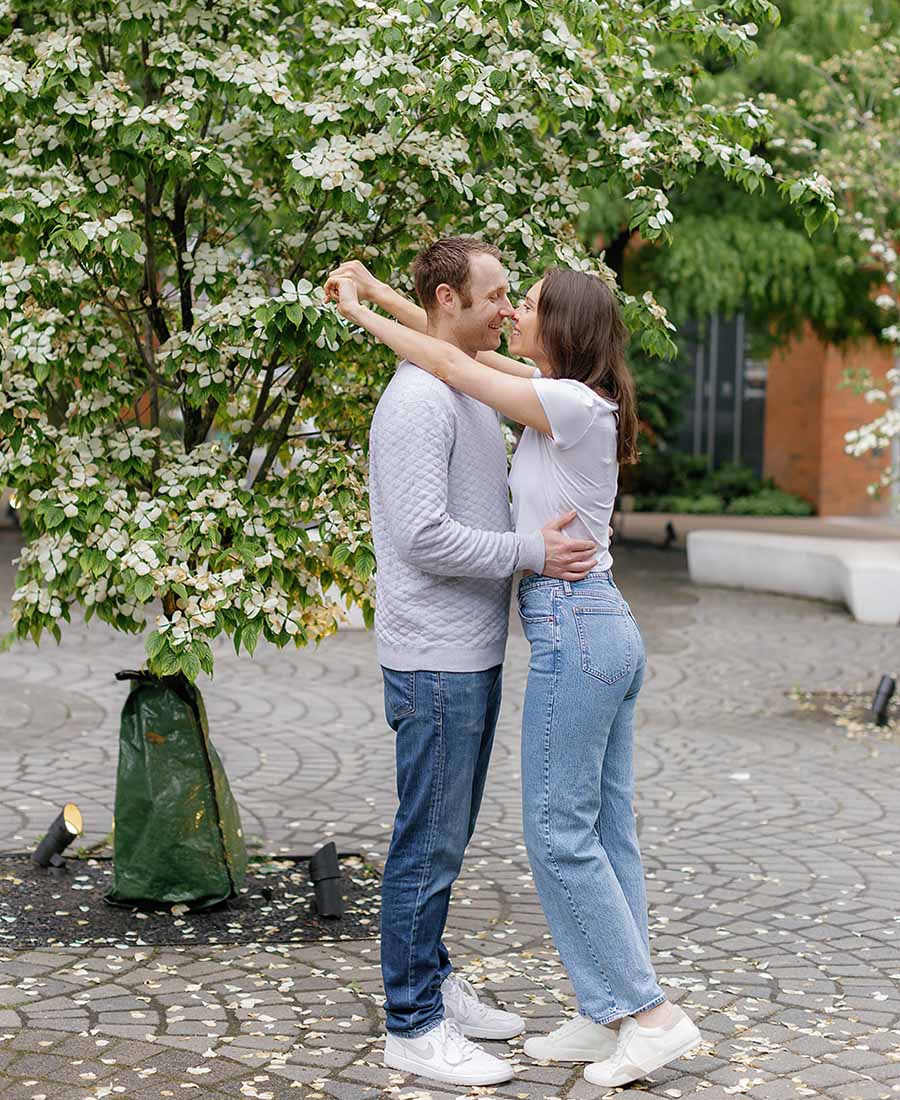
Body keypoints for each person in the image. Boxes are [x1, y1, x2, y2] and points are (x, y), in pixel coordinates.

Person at [326, 257, 702, 1090]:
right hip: (595, 626)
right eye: (504, 299)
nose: (512, 315)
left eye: (524, 305)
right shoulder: (558, 390)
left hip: (578, 631)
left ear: (560, 327)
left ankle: (649, 1014)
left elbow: (455, 358)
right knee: (603, 833)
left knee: (560, 835)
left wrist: (358, 314)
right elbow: (458, 346)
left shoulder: (564, 401)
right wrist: (394, 297)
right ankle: (610, 1008)